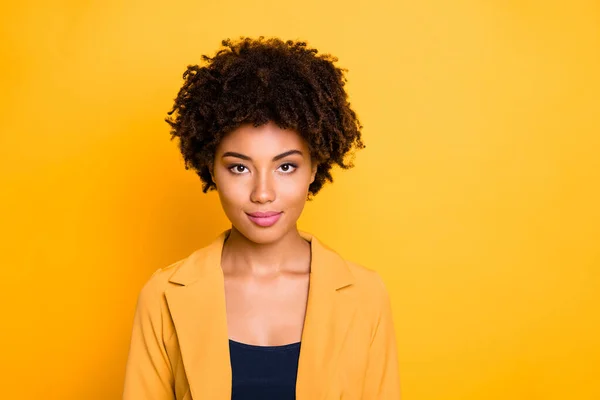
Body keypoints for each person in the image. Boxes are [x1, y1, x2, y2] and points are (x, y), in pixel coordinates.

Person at [122, 36, 401, 400]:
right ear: (210, 167)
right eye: (239, 167)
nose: (263, 193)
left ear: (315, 166)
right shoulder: (162, 297)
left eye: (286, 166)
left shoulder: (365, 296)